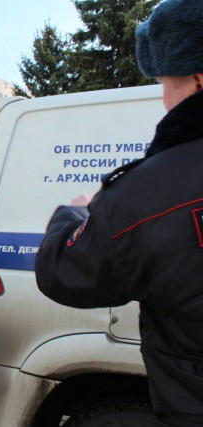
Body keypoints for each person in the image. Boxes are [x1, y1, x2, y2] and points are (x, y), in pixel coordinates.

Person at [35, 1, 203, 425]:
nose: (164, 98)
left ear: (197, 80)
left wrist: (70, 217)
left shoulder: (150, 191)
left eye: (166, 83)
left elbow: (67, 272)